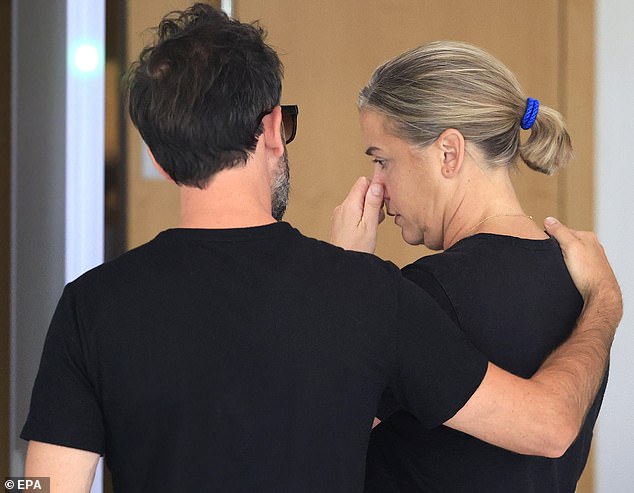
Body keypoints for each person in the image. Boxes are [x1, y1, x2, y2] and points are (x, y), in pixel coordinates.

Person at [21, 6, 620, 493]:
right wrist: (605, 305)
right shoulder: (369, 296)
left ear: (155, 157)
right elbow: (549, 424)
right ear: (272, 128)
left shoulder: (89, 306)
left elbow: (41, 487)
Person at [330, 41, 612, 492]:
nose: (375, 189)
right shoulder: (581, 288)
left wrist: (346, 278)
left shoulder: (426, 294)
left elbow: (317, 436)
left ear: (448, 153)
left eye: (382, 161)